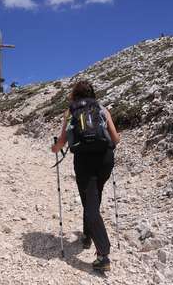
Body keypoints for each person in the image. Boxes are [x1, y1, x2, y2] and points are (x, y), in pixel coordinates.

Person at [51, 80, 120, 272]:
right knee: (93, 200)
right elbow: (115, 139)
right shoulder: (102, 109)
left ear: (75, 94)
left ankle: (103, 254)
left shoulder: (71, 112)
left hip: (84, 162)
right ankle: (87, 236)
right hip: (105, 160)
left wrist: (54, 147)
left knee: (90, 204)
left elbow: (62, 142)